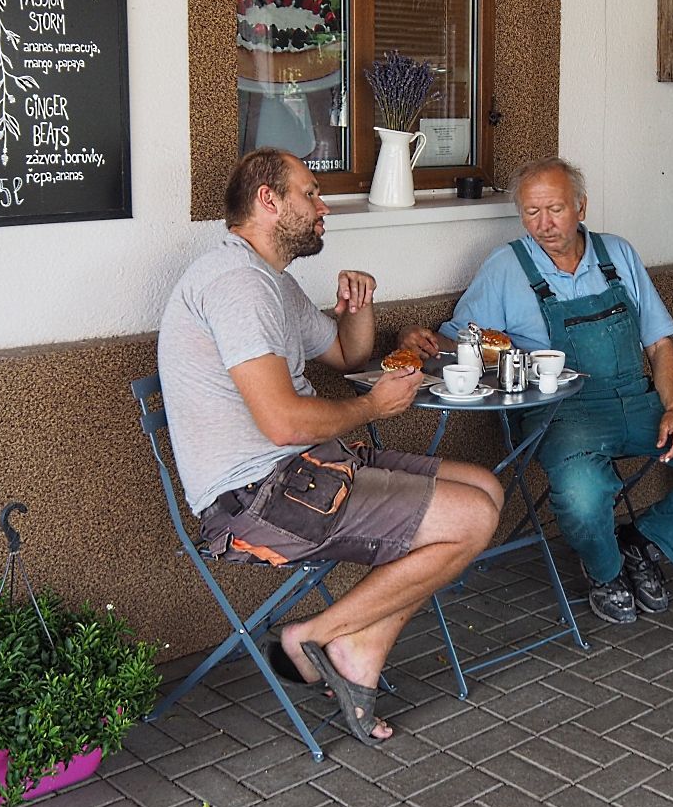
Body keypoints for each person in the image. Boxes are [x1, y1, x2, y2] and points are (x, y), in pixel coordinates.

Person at [156, 147, 502, 745]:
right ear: (269, 200)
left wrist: (358, 308)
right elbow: (284, 424)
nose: (324, 208)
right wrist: (373, 408)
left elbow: (347, 355)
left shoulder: (270, 280)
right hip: (255, 498)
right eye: (311, 193)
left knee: (486, 488)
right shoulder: (237, 283)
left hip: (306, 470)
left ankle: (358, 646)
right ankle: (313, 636)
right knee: (470, 518)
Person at [398, 157, 673, 624]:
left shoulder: (618, 254)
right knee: (582, 496)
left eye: (555, 210)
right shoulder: (506, 267)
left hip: (639, 401)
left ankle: (643, 544)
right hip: (560, 414)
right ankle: (606, 570)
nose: (544, 224)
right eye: (531, 212)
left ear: (581, 207)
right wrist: (418, 340)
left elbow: (660, 345)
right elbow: (462, 341)